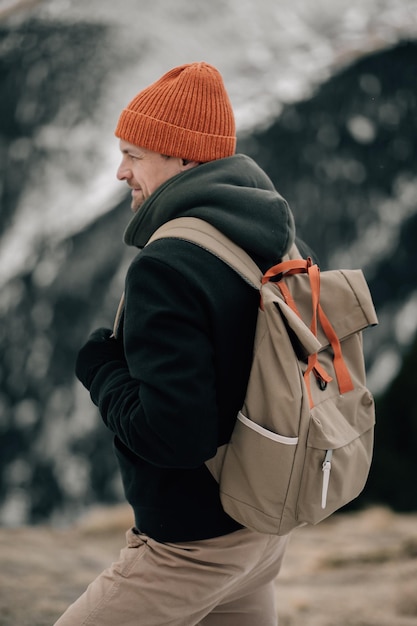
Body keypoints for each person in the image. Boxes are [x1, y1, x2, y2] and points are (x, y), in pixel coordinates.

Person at [54, 61, 296, 626]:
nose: (120, 172)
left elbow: (174, 436)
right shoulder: (268, 232)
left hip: (191, 547)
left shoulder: (170, 265)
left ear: (184, 158)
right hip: (259, 528)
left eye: (133, 155)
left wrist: (99, 367)